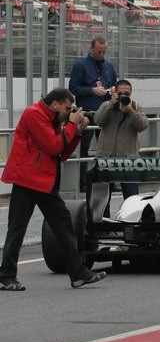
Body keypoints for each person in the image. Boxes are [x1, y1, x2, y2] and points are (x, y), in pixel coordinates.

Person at [1, 88, 107, 290]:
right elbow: (53, 146)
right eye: (67, 108)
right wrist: (72, 125)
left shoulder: (55, 120)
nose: (69, 113)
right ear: (56, 104)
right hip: (27, 180)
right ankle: (6, 276)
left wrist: (77, 133)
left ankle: (78, 273)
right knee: (17, 228)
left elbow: (62, 153)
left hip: (45, 181)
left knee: (64, 224)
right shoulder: (34, 114)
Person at [69, 37, 118, 192]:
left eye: (104, 52)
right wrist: (91, 90)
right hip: (87, 113)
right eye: (99, 51)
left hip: (104, 113)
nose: (101, 54)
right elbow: (73, 88)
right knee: (84, 148)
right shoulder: (80, 65)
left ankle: (107, 179)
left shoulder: (109, 66)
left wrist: (112, 91)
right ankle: (83, 181)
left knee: (107, 148)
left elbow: (114, 84)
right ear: (91, 49)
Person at [93, 79, 149, 201]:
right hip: (106, 157)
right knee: (102, 199)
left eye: (127, 94)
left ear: (131, 93)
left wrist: (130, 111)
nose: (124, 95)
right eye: (121, 93)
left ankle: (130, 220)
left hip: (129, 159)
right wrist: (110, 105)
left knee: (132, 199)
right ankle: (103, 220)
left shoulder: (135, 106)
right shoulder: (106, 105)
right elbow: (98, 120)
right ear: (114, 93)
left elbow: (143, 125)